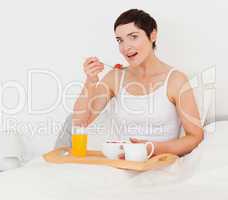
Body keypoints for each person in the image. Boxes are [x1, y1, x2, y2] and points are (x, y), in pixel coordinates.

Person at [56, 9, 203, 157]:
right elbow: (79, 122)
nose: (125, 47)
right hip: (121, 164)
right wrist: (90, 81)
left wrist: (150, 148)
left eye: (133, 37)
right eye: (120, 40)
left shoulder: (176, 80)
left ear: (152, 35)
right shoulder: (115, 77)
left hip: (159, 164)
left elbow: (195, 137)